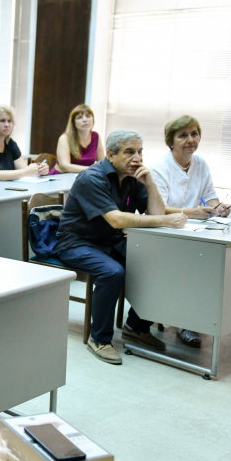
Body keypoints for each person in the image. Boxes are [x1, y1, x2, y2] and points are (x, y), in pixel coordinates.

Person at [55, 129, 188, 365]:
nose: (136, 158)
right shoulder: (92, 178)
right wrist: (166, 220)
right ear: (111, 155)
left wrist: (149, 183)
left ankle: (136, 327)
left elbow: (154, 212)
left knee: (159, 265)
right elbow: (117, 219)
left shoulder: (132, 178)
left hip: (109, 241)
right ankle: (99, 339)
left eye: (139, 152)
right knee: (112, 272)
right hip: (76, 242)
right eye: (129, 152)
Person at [150, 115, 228, 348]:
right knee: (191, 264)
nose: (190, 140)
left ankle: (198, 316)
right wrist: (190, 212)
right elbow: (159, 207)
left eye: (194, 134)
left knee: (214, 262)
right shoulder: (160, 168)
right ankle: (185, 321)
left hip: (196, 230)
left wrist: (218, 207)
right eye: (183, 135)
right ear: (170, 141)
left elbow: (209, 194)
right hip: (164, 231)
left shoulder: (201, 164)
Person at [0, 105, 48, 180]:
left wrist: (40, 170)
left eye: (9, 121)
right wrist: (27, 172)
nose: (7, 125)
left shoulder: (10, 143)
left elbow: (23, 169)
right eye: (2, 121)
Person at [54, 104, 106, 174]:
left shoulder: (96, 136)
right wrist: (93, 169)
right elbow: (65, 166)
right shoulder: (64, 138)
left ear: (92, 120)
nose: (85, 120)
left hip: (85, 176)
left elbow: (102, 162)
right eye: (79, 117)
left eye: (88, 116)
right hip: (62, 176)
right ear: (73, 123)